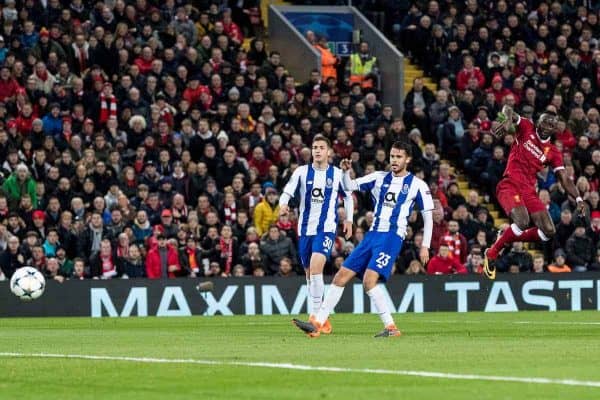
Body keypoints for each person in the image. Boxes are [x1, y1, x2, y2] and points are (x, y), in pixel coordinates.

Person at [292, 141, 433, 338]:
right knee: (341, 276)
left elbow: (428, 217)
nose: (394, 160)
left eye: (399, 157)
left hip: (391, 237)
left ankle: (390, 327)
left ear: (407, 159)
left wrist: (425, 245)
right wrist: (345, 172)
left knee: (369, 280)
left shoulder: (418, 185)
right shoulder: (378, 178)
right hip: (372, 235)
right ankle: (318, 323)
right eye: (392, 156)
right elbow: (350, 186)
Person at [483, 106, 585, 279]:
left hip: (529, 191)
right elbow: (508, 109)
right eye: (544, 121)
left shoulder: (553, 152)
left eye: (551, 124)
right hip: (510, 184)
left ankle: (507, 236)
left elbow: (564, 179)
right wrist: (507, 121)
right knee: (522, 221)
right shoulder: (526, 127)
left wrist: (579, 198)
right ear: (538, 122)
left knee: (548, 231)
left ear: (554, 129)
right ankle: (492, 253)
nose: (546, 126)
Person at [279, 134, 353, 331]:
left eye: (321, 147)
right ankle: (323, 319)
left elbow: (348, 196)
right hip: (305, 230)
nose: (317, 150)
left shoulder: (337, 173)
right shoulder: (302, 172)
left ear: (328, 152)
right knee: (309, 274)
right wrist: (283, 204)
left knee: (316, 267)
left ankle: (314, 318)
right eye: (315, 147)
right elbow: (288, 191)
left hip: (326, 229)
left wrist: (349, 220)